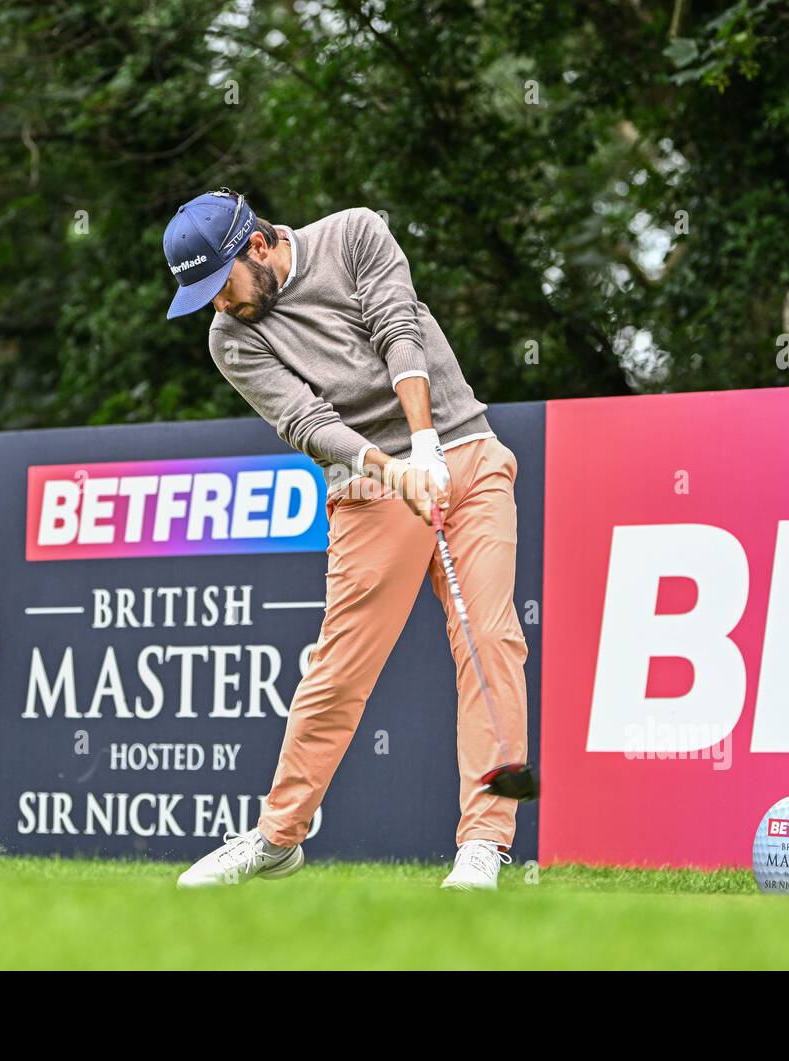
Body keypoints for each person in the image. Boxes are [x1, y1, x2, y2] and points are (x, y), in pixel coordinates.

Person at [163, 188, 528, 890]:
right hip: (368, 485)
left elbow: (399, 328)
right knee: (339, 668)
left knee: (490, 638)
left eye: (222, 285)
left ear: (258, 247)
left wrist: (427, 443)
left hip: (466, 453)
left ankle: (485, 841)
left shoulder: (355, 234)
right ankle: (278, 836)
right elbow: (307, 421)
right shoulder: (230, 337)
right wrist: (396, 469)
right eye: (204, 297)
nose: (220, 305)